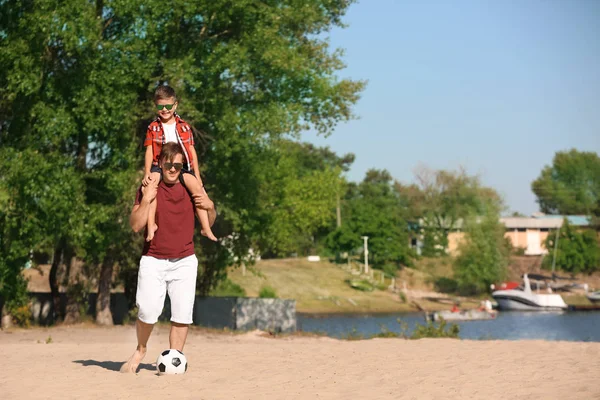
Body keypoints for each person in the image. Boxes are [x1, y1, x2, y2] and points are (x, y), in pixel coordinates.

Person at [120, 142, 217, 374]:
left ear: (182, 166)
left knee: (182, 314)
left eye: (177, 165)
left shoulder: (188, 183)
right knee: (147, 310)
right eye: (168, 164)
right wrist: (145, 199)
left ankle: (175, 359)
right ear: (160, 164)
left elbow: (208, 218)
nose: (173, 169)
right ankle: (140, 350)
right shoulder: (149, 185)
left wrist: (211, 207)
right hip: (153, 259)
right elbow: (135, 226)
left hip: (185, 260)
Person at [143, 85, 217, 242]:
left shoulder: (184, 126)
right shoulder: (153, 127)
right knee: (150, 188)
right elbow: (149, 151)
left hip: (181, 166)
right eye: (160, 106)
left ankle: (205, 227)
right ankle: (151, 226)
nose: (165, 110)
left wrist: (197, 174)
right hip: (160, 165)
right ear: (155, 106)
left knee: (198, 189)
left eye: (168, 106)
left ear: (175, 105)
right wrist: (147, 172)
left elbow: (191, 151)